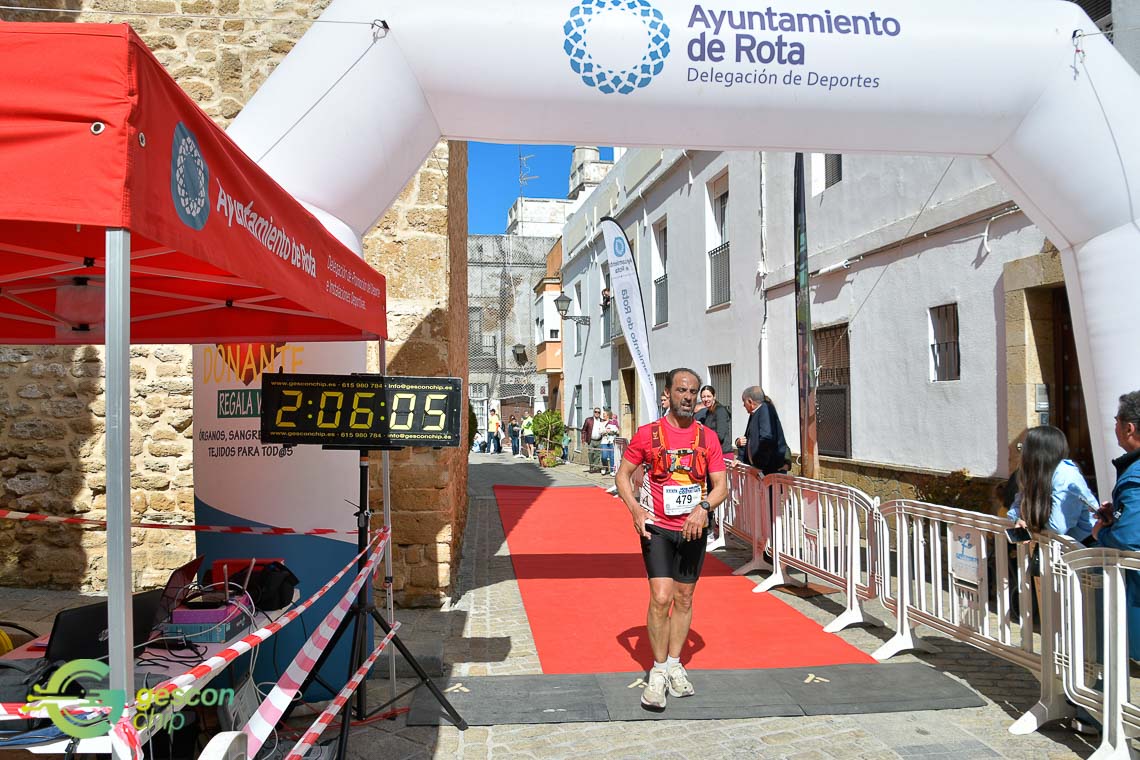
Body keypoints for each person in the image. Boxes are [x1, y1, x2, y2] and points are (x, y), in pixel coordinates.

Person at [615, 368, 727, 712]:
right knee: (661, 597)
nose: (688, 397)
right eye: (682, 390)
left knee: (685, 597)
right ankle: (659, 670)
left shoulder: (708, 438)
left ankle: (675, 664)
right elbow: (622, 475)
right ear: (668, 394)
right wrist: (635, 509)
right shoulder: (648, 434)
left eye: (693, 391)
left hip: (693, 529)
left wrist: (704, 508)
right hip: (658, 528)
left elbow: (721, 486)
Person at [1093, 390, 1140, 659]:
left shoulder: (1135, 475)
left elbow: (1127, 537)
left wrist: (1102, 532)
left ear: (1129, 428)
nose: (1115, 428)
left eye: (1116, 421)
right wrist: (1118, 514)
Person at [1006, 425, 1096, 544]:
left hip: (1087, 546)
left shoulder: (1065, 474)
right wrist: (1018, 520)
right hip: (1057, 545)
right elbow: (1014, 510)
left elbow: (1058, 526)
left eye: (1024, 447)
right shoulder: (1034, 475)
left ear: (1035, 452)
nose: (1021, 453)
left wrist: (1031, 530)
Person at [735, 386, 789, 475]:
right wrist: (740, 458)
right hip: (760, 469)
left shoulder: (765, 410)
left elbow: (767, 439)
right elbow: (747, 438)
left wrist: (759, 466)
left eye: (744, 401)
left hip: (768, 471)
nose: (743, 405)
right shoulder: (755, 413)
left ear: (750, 401)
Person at [695, 385, 733, 460]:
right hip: (712, 453)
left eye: (708, 396)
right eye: (703, 397)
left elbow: (720, 436)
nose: (706, 399)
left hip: (723, 453)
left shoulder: (720, 411)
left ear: (714, 396)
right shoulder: (708, 412)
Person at [583, 407, 603, 473]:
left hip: (599, 440)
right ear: (593, 412)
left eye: (598, 412)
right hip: (591, 440)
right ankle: (592, 466)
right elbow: (584, 430)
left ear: (600, 413)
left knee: (597, 455)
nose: (597, 413)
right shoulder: (588, 420)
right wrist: (583, 439)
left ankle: (594, 468)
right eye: (595, 412)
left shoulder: (602, 421)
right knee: (591, 453)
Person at [600, 410, 620, 476]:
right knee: (604, 456)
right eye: (603, 414)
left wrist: (612, 431)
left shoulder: (613, 422)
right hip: (604, 442)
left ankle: (612, 470)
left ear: (608, 415)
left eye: (604, 414)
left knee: (612, 457)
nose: (603, 415)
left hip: (612, 441)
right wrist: (605, 431)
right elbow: (600, 431)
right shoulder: (602, 423)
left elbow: (617, 431)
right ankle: (604, 467)